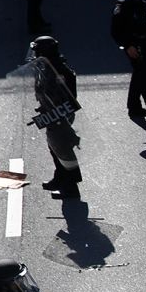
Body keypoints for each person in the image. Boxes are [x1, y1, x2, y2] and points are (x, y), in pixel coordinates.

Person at [26, 36, 83, 200]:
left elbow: (62, 96)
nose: (35, 55)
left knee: (62, 149)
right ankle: (60, 178)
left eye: (37, 51)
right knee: (55, 147)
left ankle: (70, 188)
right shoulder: (49, 67)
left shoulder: (57, 71)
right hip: (53, 114)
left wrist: (51, 112)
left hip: (59, 115)